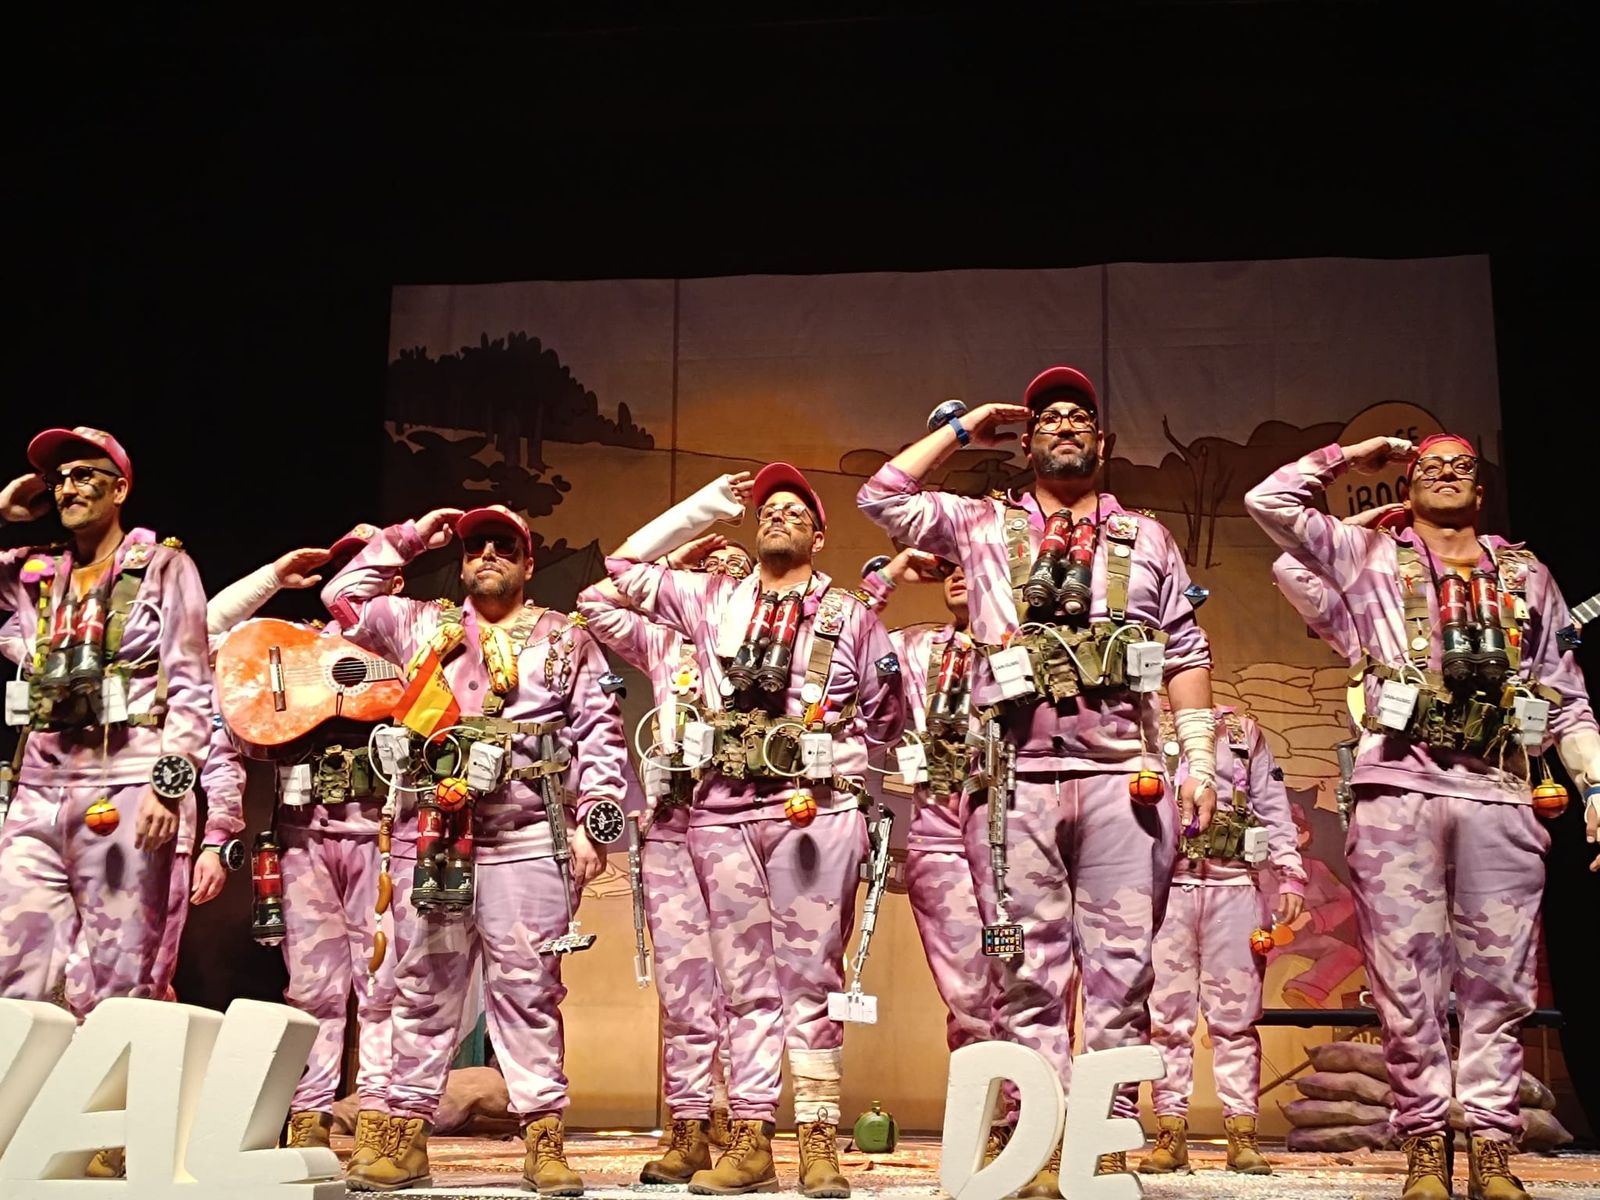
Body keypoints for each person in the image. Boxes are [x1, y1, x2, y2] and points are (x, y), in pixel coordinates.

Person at [857, 368, 1216, 1195]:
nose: (1063, 426)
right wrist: (961, 430)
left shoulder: (1147, 539)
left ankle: (1105, 1141)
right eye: (1048, 417)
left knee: (1124, 971)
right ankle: (1043, 1141)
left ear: (1103, 441)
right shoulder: (982, 527)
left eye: (1078, 418)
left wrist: (1197, 758)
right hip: (1012, 781)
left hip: (1124, 778)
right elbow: (881, 495)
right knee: (1025, 971)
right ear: (1029, 438)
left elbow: (1187, 654)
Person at [1245, 433, 1600, 1200]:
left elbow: (1567, 696)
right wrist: (1350, 455)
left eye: (1461, 465)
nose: (1445, 473)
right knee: (1405, 977)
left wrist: (1596, 792)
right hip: (1397, 788)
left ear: (1482, 489)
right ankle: (1425, 1144)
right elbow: (1267, 503)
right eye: (1428, 465)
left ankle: (1493, 1144)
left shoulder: (1528, 575)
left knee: (1499, 983)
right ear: (1408, 485)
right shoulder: (1370, 560)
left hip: (1500, 792)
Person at [604, 466, 905, 1198]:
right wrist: (707, 507)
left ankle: (819, 1142)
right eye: (767, 508)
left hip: (815, 811)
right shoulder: (710, 599)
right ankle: (749, 1137)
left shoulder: (849, 614)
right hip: (720, 812)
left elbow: (887, 715)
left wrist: (834, 756)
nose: (776, 515)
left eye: (794, 509)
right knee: (744, 985)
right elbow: (620, 571)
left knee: (812, 979)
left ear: (819, 533)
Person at [322, 503, 629, 1194]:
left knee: (529, 992)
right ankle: (403, 1137)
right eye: (474, 547)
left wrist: (594, 823)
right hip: (433, 836)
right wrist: (407, 540)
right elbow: (341, 596)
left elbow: (600, 734)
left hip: (528, 838)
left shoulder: (564, 638)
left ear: (526, 562)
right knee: (423, 990)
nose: (486, 554)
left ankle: (543, 1139)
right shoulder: (422, 624)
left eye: (503, 546)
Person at [204, 533, 404, 1155]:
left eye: (369, 567)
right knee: (311, 987)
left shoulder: (422, 642)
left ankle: (378, 1119)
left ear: (394, 583)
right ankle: (308, 1118)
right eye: (346, 564)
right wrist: (271, 581)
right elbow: (205, 638)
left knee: (383, 986)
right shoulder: (286, 646)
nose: (355, 576)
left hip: (382, 839)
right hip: (302, 837)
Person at [0, 427, 212, 1011]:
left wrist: (168, 789)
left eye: (83, 474)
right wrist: (3, 513)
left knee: (117, 971)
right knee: (12, 960)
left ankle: (105, 1100)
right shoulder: (31, 570)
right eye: (57, 479)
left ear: (119, 488)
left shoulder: (165, 567)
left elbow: (193, 683)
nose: (67, 488)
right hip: (39, 789)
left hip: (126, 782)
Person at [574, 536, 750, 1183]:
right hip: (674, 823)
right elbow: (595, 599)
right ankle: (689, 1130)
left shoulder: (768, 642)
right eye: (709, 572)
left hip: (744, 820)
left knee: (746, 987)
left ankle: (740, 1126)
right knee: (685, 993)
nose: (720, 578)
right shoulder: (662, 642)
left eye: (736, 570)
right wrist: (671, 558)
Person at [1140, 703, 1305, 1176]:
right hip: (1165, 887)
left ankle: (1242, 1134)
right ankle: (1170, 1132)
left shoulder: (1241, 731)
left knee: (1235, 1020)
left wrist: (1290, 874)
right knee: (1166, 1019)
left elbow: (1273, 807)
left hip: (1234, 885)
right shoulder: (1145, 725)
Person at [859, 549, 993, 1053]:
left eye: (977, 562)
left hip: (1024, 829)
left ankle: (1032, 1108)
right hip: (939, 832)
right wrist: (890, 576)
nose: (960, 573)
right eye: (952, 564)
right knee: (967, 988)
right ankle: (986, 1115)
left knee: (1035, 983)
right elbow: (838, 636)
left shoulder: (1035, 646)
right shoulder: (913, 648)